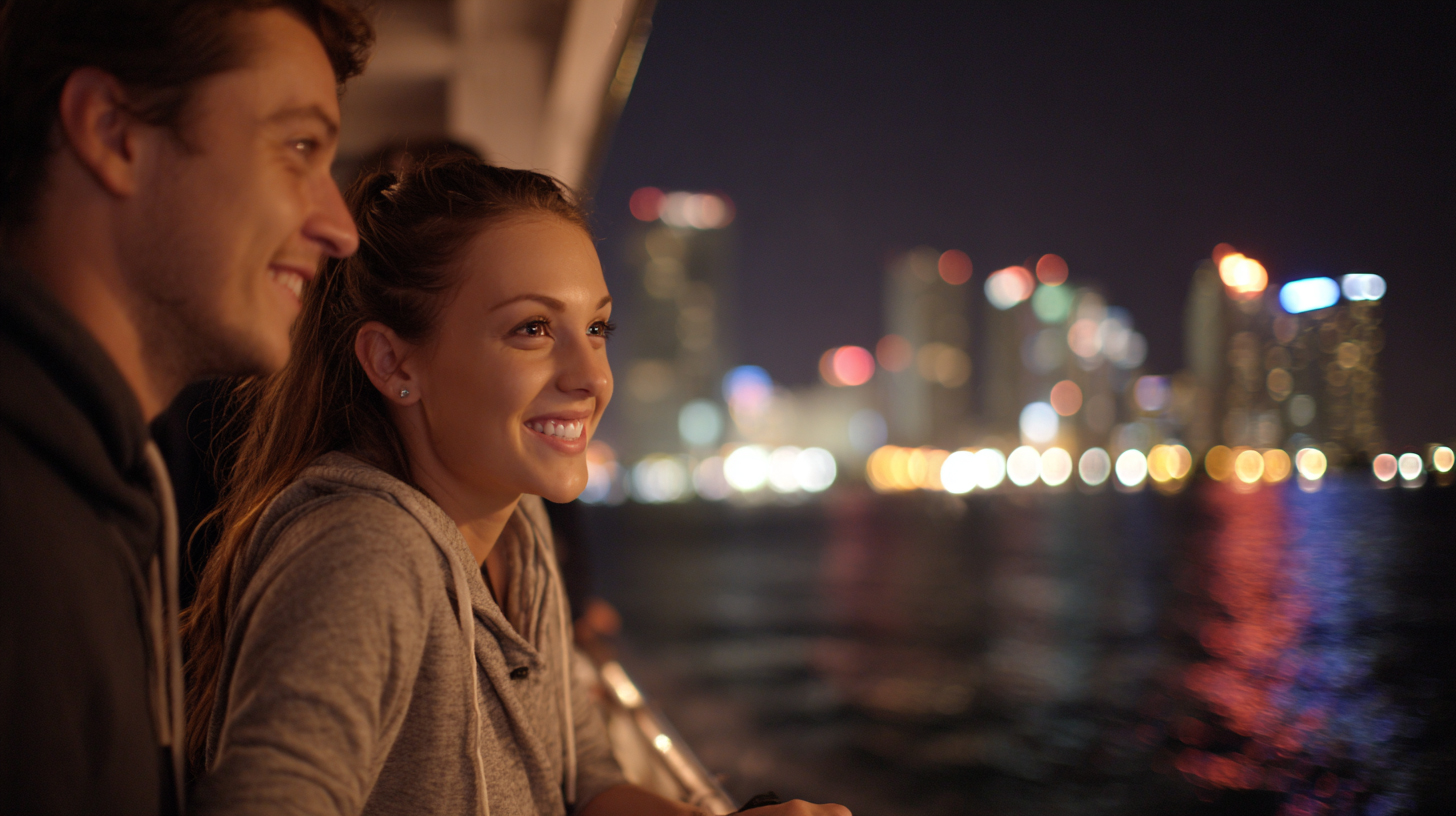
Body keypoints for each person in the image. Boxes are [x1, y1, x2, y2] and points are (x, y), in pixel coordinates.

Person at [182, 155, 849, 816]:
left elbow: (579, 773)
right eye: (532, 329)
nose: (591, 377)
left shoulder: (518, 530)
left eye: (596, 329)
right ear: (392, 362)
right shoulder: (366, 554)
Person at [0, 1, 370, 812]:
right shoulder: (23, 519)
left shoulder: (105, 480)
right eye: (298, 147)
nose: (339, 226)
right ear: (112, 132)